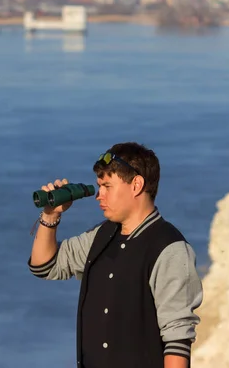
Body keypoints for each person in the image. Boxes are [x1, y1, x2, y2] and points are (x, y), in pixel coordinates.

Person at [27, 142, 203, 368]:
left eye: (107, 186)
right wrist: (50, 215)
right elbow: (44, 266)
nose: (99, 195)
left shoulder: (170, 248)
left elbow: (177, 339)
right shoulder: (101, 235)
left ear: (136, 185)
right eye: (99, 186)